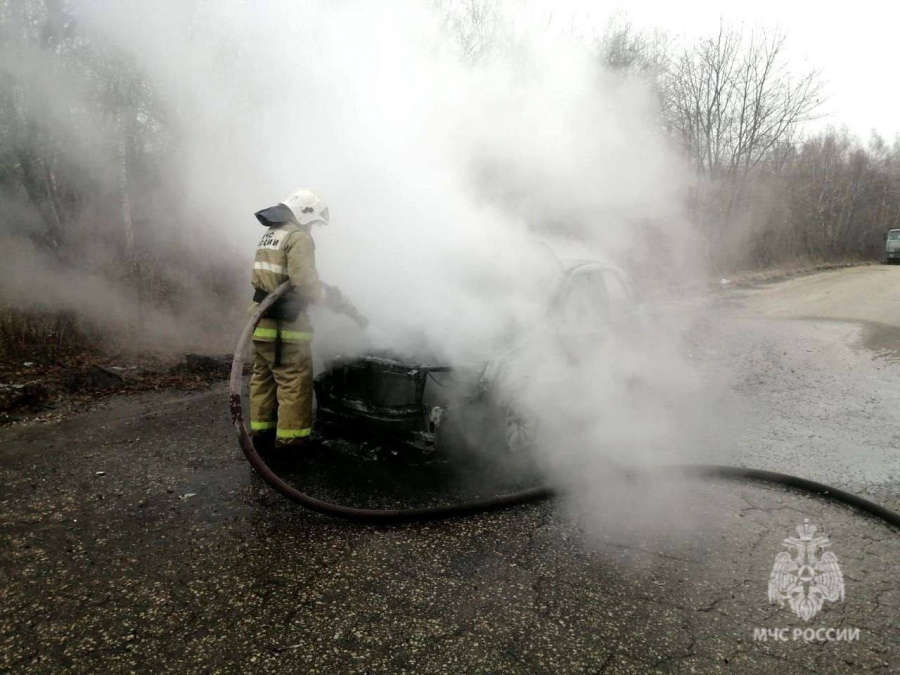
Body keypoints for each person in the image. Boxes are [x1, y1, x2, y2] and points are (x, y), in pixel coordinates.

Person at [248, 188, 365, 453]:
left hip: (261, 320)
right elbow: (304, 282)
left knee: (263, 378)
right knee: (294, 381)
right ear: (304, 213)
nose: (312, 228)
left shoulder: (273, 233)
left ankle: (262, 436)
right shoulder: (298, 237)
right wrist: (325, 298)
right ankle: (292, 443)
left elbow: (275, 278)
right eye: (312, 222)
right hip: (285, 324)